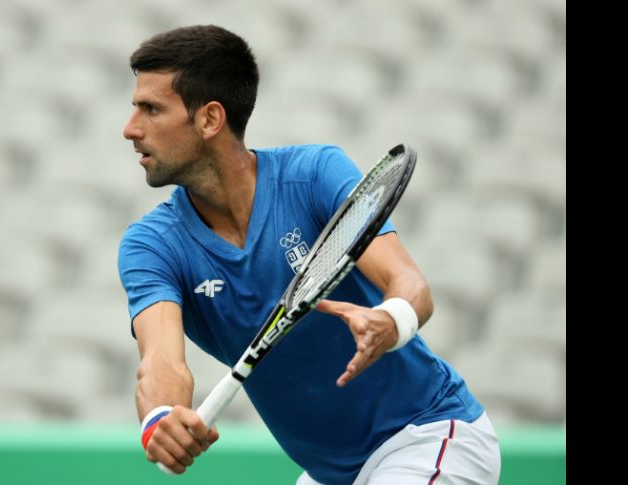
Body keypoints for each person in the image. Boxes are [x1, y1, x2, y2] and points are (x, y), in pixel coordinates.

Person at [118, 25, 501, 485]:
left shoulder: (315, 175)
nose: (130, 129)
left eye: (151, 109)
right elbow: (161, 360)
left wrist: (391, 319)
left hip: (427, 435)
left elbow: (412, 286)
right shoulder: (151, 246)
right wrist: (160, 417)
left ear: (209, 119)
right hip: (329, 474)